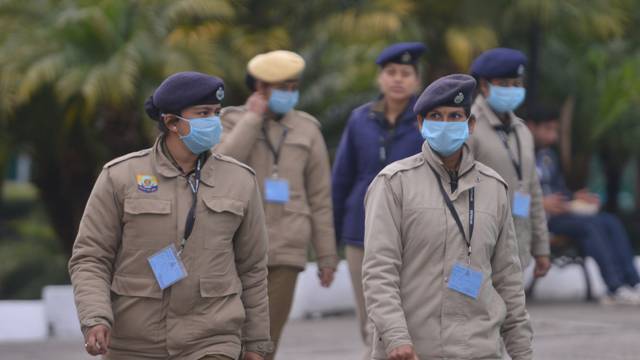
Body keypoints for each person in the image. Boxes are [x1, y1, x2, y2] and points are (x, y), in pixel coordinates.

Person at [68, 71, 272, 360]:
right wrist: (95, 318)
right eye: (202, 113)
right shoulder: (120, 176)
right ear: (171, 122)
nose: (213, 122)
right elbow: (91, 257)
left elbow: (253, 268)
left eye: (216, 113)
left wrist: (256, 344)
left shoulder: (240, 180)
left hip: (212, 338)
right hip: (134, 341)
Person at [363, 74, 533, 360]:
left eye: (455, 116)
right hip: (413, 350)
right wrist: (396, 338)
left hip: (478, 349)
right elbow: (380, 272)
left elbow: (508, 280)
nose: (445, 124)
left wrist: (523, 353)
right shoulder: (394, 183)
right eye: (436, 116)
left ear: (470, 125)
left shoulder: (493, 187)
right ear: (421, 124)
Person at [216, 50, 338, 360]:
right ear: (259, 87)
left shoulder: (308, 129)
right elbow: (221, 165)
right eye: (281, 87)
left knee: (264, 341)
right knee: (228, 335)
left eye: (293, 86)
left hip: (287, 246)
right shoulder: (230, 120)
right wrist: (252, 119)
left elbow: (320, 197)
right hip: (236, 246)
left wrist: (326, 255)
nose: (289, 94)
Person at [331, 41, 425, 356]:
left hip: (412, 231)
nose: (398, 79)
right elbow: (342, 177)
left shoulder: (426, 121)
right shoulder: (360, 119)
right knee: (370, 318)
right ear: (380, 78)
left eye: (406, 73)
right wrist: (331, 238)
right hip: (361, 231)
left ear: (417, 81)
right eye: (391, 72)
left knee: (410, 315)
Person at [528, 107, 640, 305]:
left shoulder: (548, 157)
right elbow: (507, 193)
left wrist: (575, 197)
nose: (553, 136)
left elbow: (558, 190)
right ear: (530, 127)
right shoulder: (518, 156)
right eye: (547, 129)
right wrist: (539, 204)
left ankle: (633, 282)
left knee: (609, 221)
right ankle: (614, 287)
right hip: (536, 220)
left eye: (555, 130)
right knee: (590, 226)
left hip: (561, 215)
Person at [468, 47, 551, 277]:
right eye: (503, 84)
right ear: (484, 86)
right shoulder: (468, 128)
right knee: (470, 308)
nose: (512, 90)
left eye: (516, 84)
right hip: (477, 247)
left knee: (511, 311)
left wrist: (541, 248)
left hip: (516, 245)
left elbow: (532, 190)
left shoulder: (521, 130)